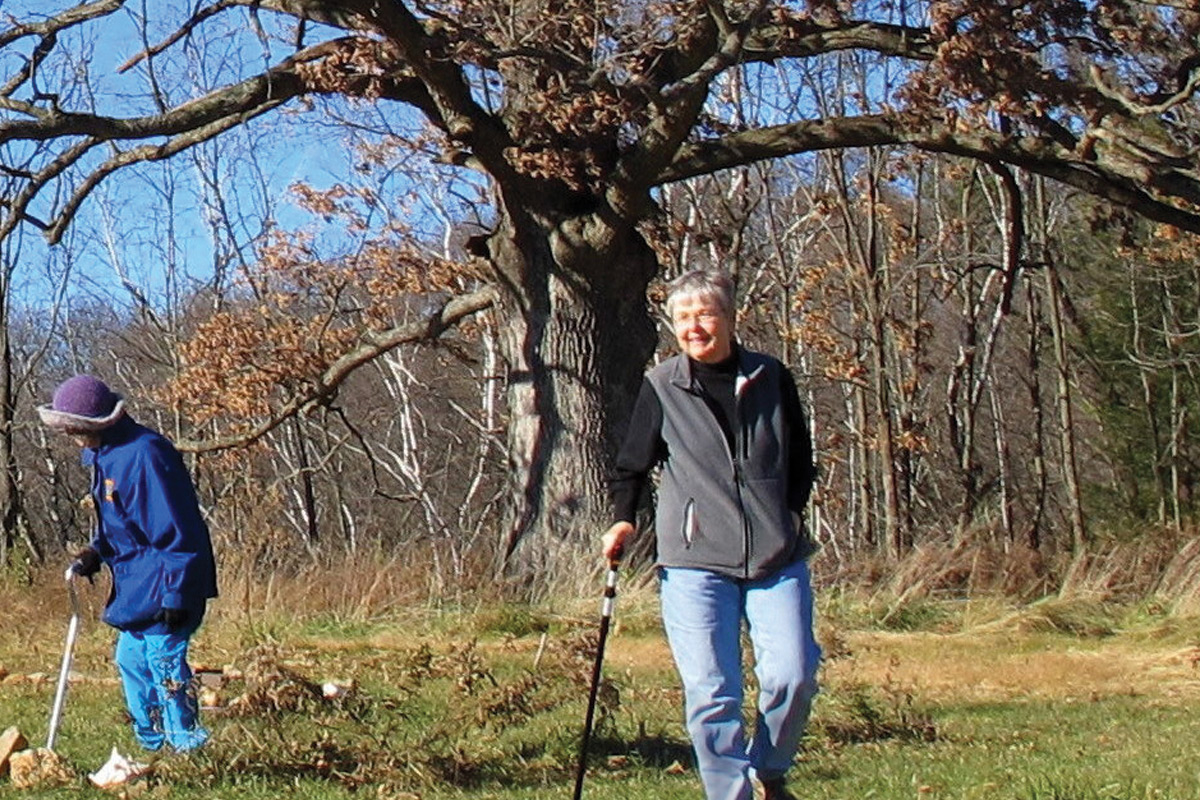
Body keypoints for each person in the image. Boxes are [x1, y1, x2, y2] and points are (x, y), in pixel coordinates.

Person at [602, 270, 821, 800]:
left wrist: (788, 516)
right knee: (712, 692)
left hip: (776, 555)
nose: (694, 327)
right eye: (682, 318)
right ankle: (730, 793)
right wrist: (623, 518)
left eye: (704, 314)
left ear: (728, 318)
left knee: (794, 674)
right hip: (694, 561)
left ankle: (769, 770)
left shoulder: (771, 376)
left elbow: (800, 459)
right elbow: (632, 464)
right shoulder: (663, 384)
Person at [38, 374, 218, 753]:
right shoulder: (106, 457)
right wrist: (95, 552)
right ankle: (153, 746)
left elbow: (175, 530)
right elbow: (123, 525)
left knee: (164, 668)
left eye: (73, 426)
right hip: (137, 586)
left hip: (167, 586)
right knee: (131, 661)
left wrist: (176, 593)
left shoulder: (144, 455)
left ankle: (188, 750)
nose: (69, 434)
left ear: (92, 423)